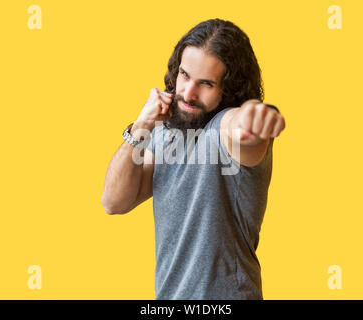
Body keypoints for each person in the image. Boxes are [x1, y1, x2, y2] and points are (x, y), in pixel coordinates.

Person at [101, 18, 286, 300]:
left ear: (230, 89)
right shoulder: (165, 131)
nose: (188, 93)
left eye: (206, 84)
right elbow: (113, 202)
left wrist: (254, 117)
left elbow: (240, 130)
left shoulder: (225, 127)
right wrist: (141, 125)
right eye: (185, 75)